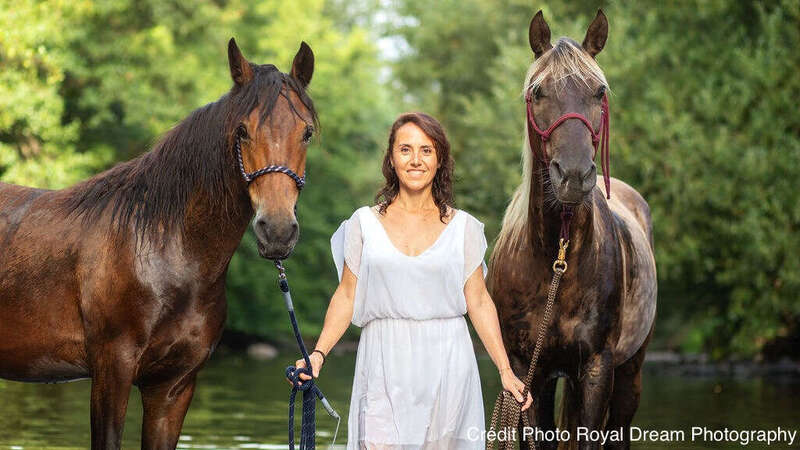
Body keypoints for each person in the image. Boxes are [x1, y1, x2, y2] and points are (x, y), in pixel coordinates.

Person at [290, 112, 532, 449]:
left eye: (426, 150)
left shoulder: (465, 228)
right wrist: (318, 355)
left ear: (439, 160)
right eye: (405, 150)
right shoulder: (363, 224)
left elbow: (477, 300)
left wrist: (505, 371)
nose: (415, 160)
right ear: (391, 158)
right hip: (383, 359)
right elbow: (346, 296)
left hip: (449, 359)